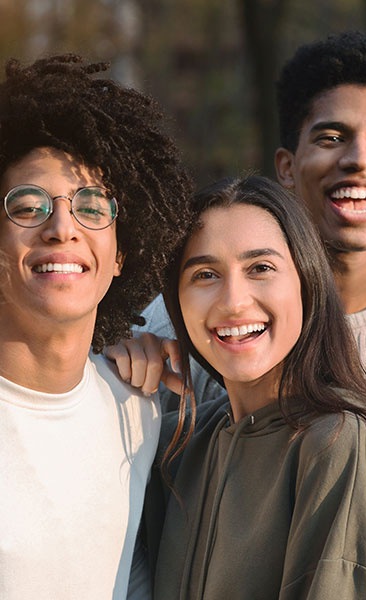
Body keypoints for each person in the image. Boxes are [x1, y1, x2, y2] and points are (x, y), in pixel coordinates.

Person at [142, 175, 366, 599]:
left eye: (260, 268)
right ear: (177, 301)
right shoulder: (179, 442)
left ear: (307, 281)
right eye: (205, 274)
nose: (233, 300)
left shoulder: (339, 441)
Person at [134, 31, 366, 400]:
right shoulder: (183, 317)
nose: (359, 159)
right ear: (287, 167)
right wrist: (117, 366)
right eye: (332, 138)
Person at [0, 54, 192, 599]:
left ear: (120, 252)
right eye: (28, 206)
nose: (62, 227)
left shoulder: (141, 407)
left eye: (91, 206)